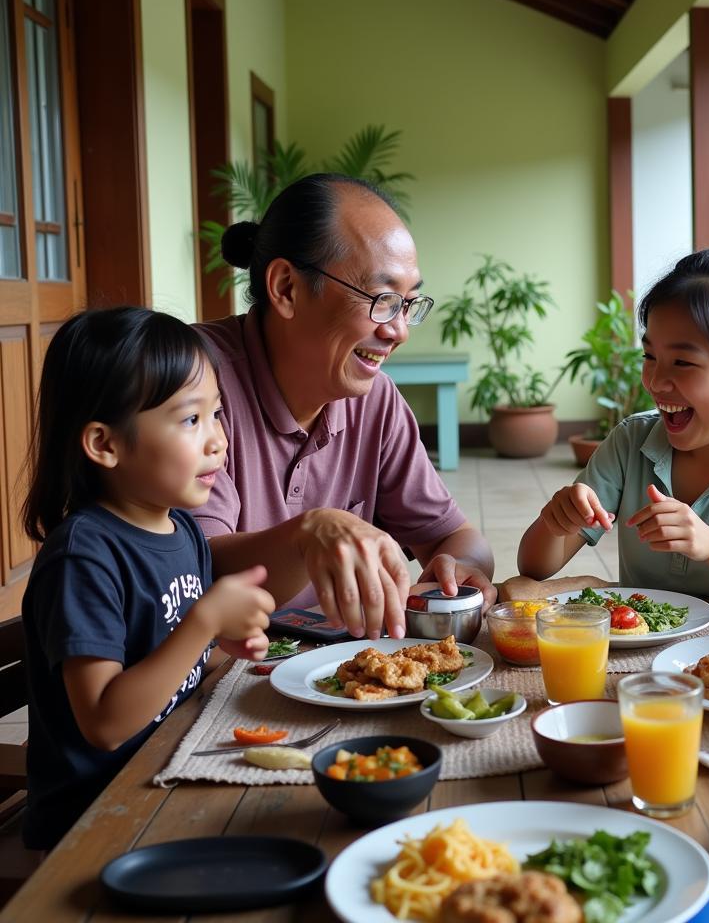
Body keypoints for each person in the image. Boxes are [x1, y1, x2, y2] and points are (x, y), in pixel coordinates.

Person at [196, 174, 495, 641]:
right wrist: (309, 534)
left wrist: (460, 569)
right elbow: (192, 571)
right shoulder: (191, 386)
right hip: (211, 676)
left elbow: (455, 538)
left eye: (409, 303)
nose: (399, 331)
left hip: (329, 673)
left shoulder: (374, 399)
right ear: (287, 288)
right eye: (381, 299)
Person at [20, 308, 275, 850]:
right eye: (190, 420)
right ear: (105, 444)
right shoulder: (83, 557)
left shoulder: (180, 529)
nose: (217, 441)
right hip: (95, 818)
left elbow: (176, 664)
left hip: (165, 767)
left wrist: (225, 643)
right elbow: (106, 723)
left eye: (218, 414)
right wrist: (204, 620)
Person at [518, 227, 709, 598]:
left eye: (682, 362)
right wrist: (556, 522)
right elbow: (534, 566)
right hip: (639, 652)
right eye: (649, 356)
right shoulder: (630, 442)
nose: (655, 380)